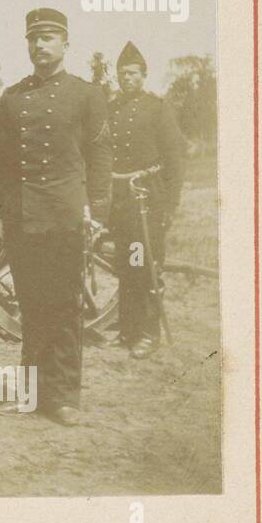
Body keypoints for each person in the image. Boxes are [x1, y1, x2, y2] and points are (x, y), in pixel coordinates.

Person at [0, 8, 111, 425]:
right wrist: (3, 213)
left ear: (65, 44)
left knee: (63, 306)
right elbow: (2, 164)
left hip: (64, 215)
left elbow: (99, 157)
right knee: (31, 306)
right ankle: (30, 394)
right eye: (33, 39)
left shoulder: (86, 95)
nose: (39, 46)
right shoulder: (12, 98)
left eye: (48, 38)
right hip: (24, 218)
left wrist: (97, 209)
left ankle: (62, 398)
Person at [108, 41, 186, 358]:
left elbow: (176, 159)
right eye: (122, 74)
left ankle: (148, 334)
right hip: (122, 201)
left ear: (143, 75)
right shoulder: (112, 109)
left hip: (148, 200)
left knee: (147, 265)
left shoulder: (157, 107)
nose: (126, 78)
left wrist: (168, 206)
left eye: (132, 73)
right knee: (126, 265)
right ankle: (127, 330)